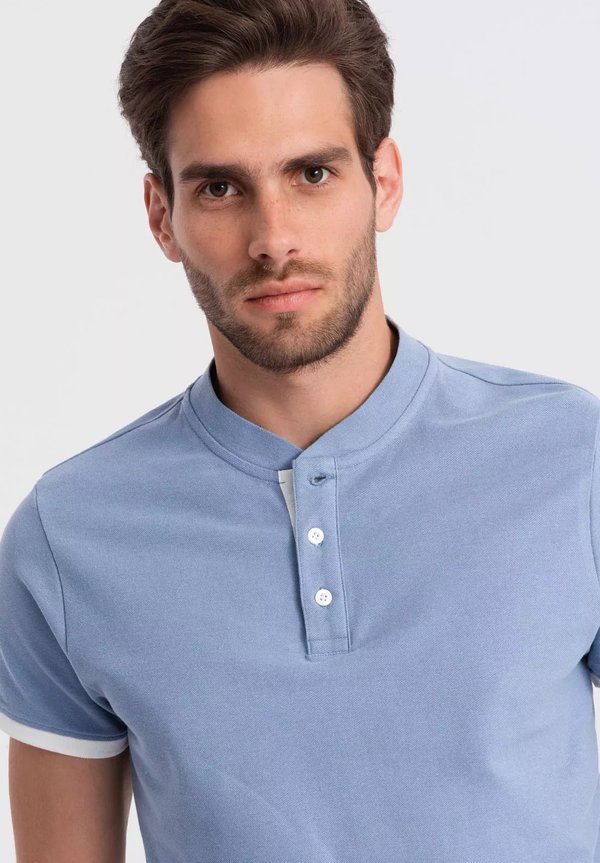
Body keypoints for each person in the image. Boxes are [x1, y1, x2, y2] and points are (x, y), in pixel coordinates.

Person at [1, 0, 600, 860]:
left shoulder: (573, 458)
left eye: (312, 173)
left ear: (383, 181)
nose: (273, 238)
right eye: (220, 188)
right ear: (161, 215)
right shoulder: (69, 536)